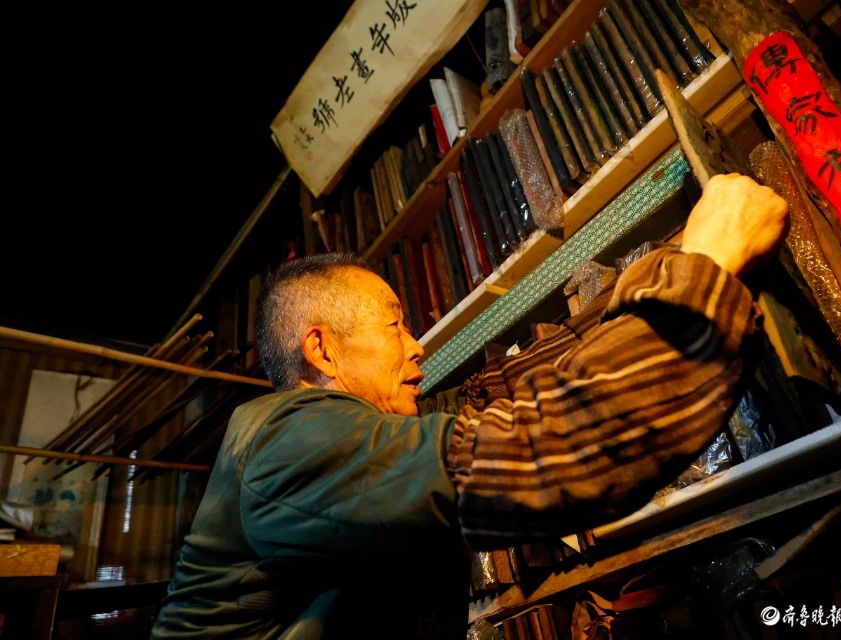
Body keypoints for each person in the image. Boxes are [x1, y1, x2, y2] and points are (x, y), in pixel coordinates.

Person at [151, 173, 788, 639]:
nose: (417, 346)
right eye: (395, 324)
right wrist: (706, 264)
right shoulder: (290, 445)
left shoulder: (328, 448)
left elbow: (509, 413)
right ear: (322, 350)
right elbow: (551, 450)